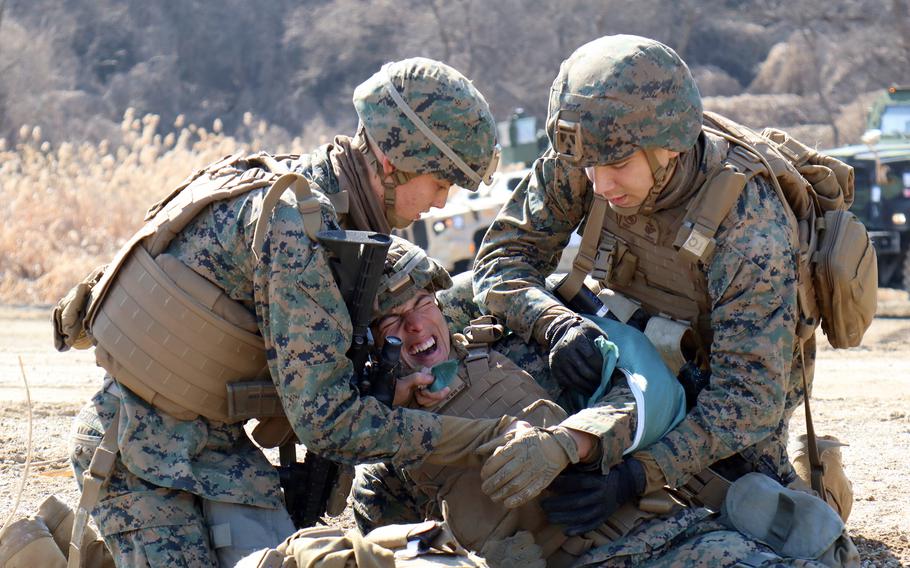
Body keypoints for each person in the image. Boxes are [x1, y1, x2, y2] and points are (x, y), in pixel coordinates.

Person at [54, 57, 508, 567]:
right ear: (391, 162)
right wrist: (488, 437)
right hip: (138, 450)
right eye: (439, 182)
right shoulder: (295, 225)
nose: (440, 202)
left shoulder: (312, 196)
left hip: (213, 447)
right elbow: (329, 423)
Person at [472, 34, 855, 563]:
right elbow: (499, 262)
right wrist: (555, 324)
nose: (600, 184)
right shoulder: (589, 149)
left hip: (726, 382)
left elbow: (747, 402)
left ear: (669, 145)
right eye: (588, 167)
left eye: (618, 166)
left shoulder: (749, 226)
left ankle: (820, 477)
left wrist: (636, 475)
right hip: (630, 343)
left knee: (757, 515)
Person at [349, 238, 856, 568]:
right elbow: (394, 546)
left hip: (663, 536)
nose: (415, 328)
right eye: (392, 322)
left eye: (421, 306)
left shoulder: (514, 348)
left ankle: (819, 485)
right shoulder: (387, 445)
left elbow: (636, 390)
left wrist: (579, 446)